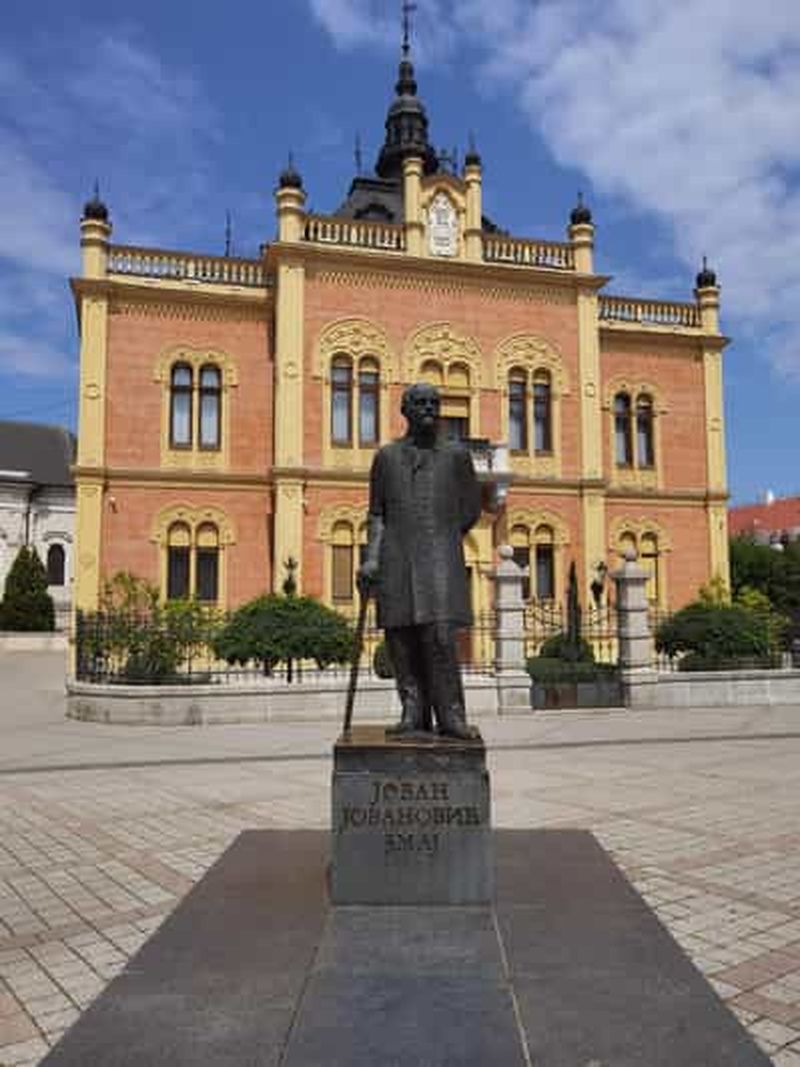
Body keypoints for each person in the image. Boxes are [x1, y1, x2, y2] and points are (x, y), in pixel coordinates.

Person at [357, 382, 481, 740]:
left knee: (440, 635)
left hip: (440, 556)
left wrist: (440, 534)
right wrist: (371, 558)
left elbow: (470, 509)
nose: (429, 408)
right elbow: (376, 514)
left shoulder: (456, 455)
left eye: (434, 403)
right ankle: (412, 711)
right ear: (405, 410)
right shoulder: (386, 458)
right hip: (395, 556)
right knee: (401, 637)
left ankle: (451, 716)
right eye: (420, 403)